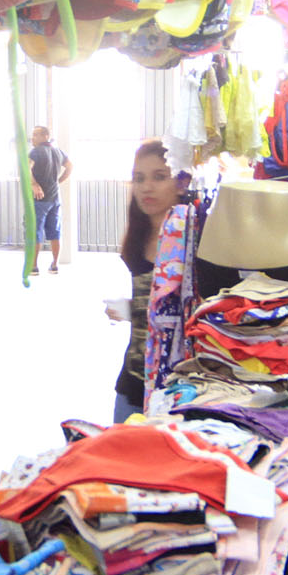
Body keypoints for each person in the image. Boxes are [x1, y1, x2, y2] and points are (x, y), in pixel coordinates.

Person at [111, 140, 178, 422]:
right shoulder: (137, 238)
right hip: (133, 381)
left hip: (178, 388)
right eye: (139, 178)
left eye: (159, 177)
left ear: (181, 182)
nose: (146, 187)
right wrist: (131, 308)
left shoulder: (195, 240)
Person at [28, 125, 72, 275]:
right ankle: (54, 265)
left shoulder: (36, 152)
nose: (32, 138)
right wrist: (59, 181)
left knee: (35, 231)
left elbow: (26, 168)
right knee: (55, 231)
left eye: (35, 135)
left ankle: (33, 266)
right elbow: (70, 166)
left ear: (45, 136)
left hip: (39, 199)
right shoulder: (58, 151)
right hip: (55, 198)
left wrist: (34, 184)